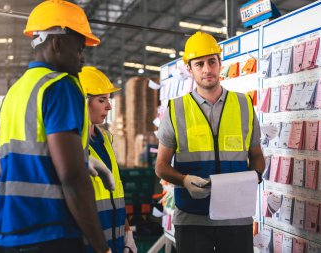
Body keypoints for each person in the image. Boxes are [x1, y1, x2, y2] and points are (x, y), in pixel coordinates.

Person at [0, 1, 111, 253]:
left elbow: (35, 150)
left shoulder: (16, 91)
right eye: (79, 48)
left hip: (6, 232)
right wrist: (102, 247)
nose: (82, 57)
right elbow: (72, 177)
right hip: (48, 232)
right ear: (57, 43)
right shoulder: (60, 86)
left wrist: (82, 158)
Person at [155, 31, 265, 253]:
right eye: (199, 64)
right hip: (192, 219)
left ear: (220, 63)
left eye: (212, 61)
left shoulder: (244, 104)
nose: (207, 69)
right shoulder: (176, 110)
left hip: (236, 218)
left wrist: (255, 176)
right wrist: (184, 180)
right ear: (190, 69)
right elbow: (161, 166)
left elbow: (256, 155)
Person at [79, 66, 137, 253]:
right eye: (101, 100)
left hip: (116, 238)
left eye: (108, 100)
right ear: (83, 102)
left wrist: (127, 233)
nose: (109, 106)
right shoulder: (71, 144)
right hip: (90, 244)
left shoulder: (106, 139)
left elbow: (117, 191)